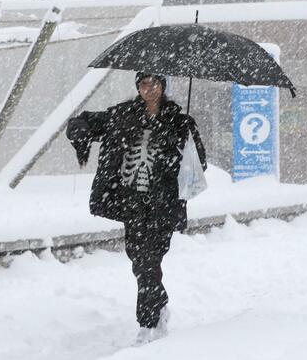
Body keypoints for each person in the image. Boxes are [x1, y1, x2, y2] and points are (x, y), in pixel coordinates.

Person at [66, 72, 207, 345]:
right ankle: (158, 306)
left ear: (163, 87)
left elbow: (199, 162)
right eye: (144, 84)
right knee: (141, 262)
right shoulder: (122, 116)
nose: (149, 89)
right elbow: (82, 122)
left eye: (154, 84)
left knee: (149, 262)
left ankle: (149, 322)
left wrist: (177, 154)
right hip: (133, 203)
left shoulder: (180, 122)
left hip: (162, 204)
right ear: (138, 87)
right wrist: (80, 132)